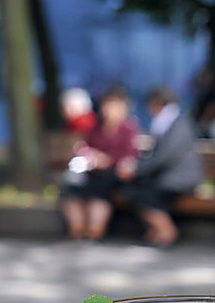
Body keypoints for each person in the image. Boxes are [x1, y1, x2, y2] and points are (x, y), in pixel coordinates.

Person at [120, 87, 202, 247]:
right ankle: (159, 231)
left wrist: (137, 169)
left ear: (156, 104)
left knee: (141, 193)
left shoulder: (176, 123)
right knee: (136, 189)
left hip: (180, 178)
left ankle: (166, 232)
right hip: (172, 176)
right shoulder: (174, 121)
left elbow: (164, 157)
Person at [60, 86, 138, 240]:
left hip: (112, 174)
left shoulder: (127, 129)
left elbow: (128, 156)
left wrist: (106, 160)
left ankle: (94, 229)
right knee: (71, 186)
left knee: (99, 192)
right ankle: (78, 228)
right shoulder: (97, 126)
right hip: (92, 171)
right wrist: (85, 153)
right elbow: (87, 145)